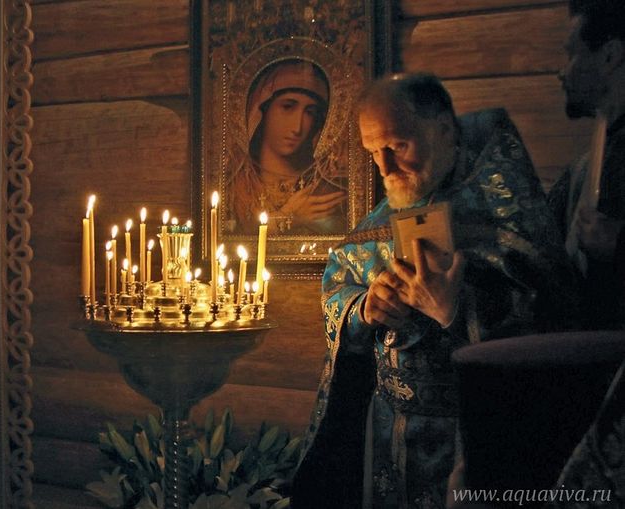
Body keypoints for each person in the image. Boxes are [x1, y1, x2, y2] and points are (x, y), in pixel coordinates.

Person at [291, 73, 579, 509]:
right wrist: (365, 308)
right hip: (389, 434)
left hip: (470, 433)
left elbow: (551, 317)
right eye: (373, 152)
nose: (385, 168)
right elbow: (340, 279)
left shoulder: (504, 212)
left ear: (444, 130)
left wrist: (454, 310)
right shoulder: (384, 216)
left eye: (398, 146)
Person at [548, 0, 625, 330]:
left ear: (609, 56)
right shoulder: (588, 162)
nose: (562, 72)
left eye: (571, 55)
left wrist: (619, 243)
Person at [227, 59, 346, 234]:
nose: (297, 127)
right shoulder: (235, 190)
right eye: (288, 107)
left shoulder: (324, 191)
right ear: (262, 110)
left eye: (310, 112)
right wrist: (290, 216)